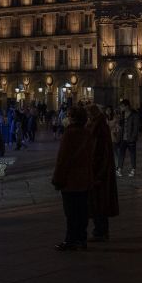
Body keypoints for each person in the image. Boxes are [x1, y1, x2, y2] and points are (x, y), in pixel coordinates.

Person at [52, 105, 93, 251]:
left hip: (70, 179)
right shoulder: (87, 133)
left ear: (72, 118)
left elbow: (62, 158)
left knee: (70, 212)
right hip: (84, 178)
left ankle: (70, 240)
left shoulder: (69, 134)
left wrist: (57, 178)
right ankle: (82, 239)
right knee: (82, 211)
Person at [86, 105, 119, 241]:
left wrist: (97, 172)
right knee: (98, 202)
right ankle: (100, 230)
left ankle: (101, 231)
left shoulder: (98, 127)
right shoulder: (98, 125)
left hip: (99, 172)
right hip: (99, 170)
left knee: (99, 202)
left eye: (89, 114)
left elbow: (98, 151)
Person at [117, 99, 140, 177]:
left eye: (122, 106)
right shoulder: (122, 114)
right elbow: (121, 124)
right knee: (121, 154)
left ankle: (133, 169)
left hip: (130, 138)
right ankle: (119, 169)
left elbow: (136, 127)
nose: (121, 108)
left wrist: (133, 138)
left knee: (132, 154)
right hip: (123, 138)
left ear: (127, 106)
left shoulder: (134, 114)